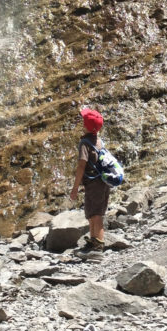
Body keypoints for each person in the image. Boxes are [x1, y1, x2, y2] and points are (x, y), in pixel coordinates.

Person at [70, 106, 110, 257]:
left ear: (87, 126)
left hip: (94, 183)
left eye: (84, 122)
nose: (82, 124)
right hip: (102, 182)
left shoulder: (85, 143)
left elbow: (81, 165)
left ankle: (98, 246)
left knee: (95, 214)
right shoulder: (99, 141)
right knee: (93, 212)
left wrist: (75, 188)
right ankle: (94, 241)